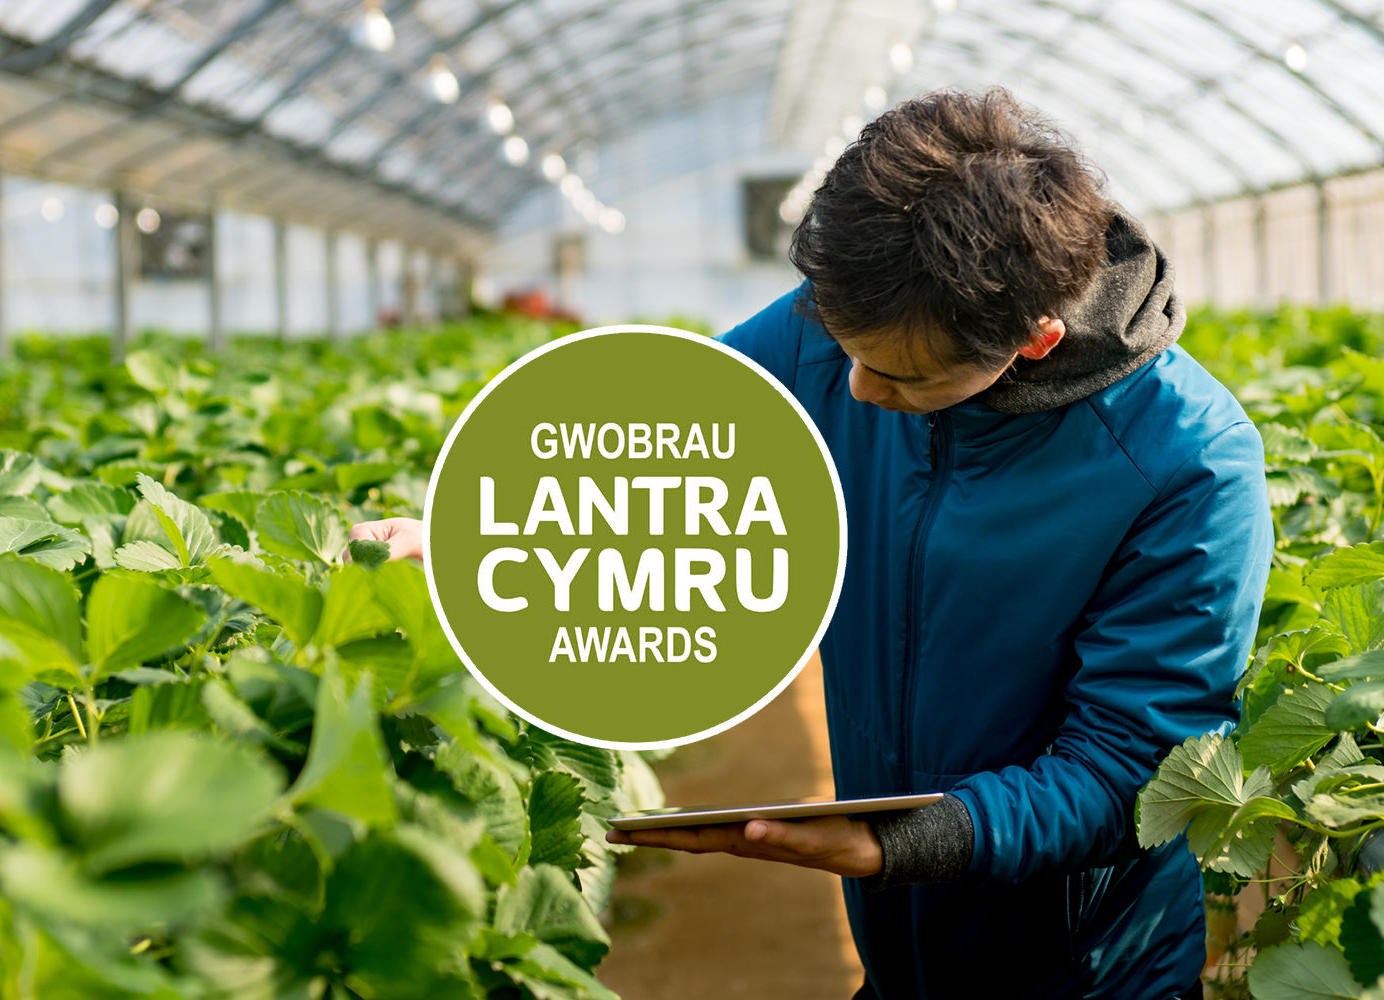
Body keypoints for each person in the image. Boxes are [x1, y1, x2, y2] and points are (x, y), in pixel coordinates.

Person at [351, 89, 1272, 999]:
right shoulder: (848, 320)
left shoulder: (1185, 463)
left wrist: (900, 842)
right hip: (896, 952)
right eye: (842, 348)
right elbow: (678, 434)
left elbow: (1131, 770)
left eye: (903, 376)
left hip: (1081, 971)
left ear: (1033, 340)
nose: (857, 389)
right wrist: (476, 532)